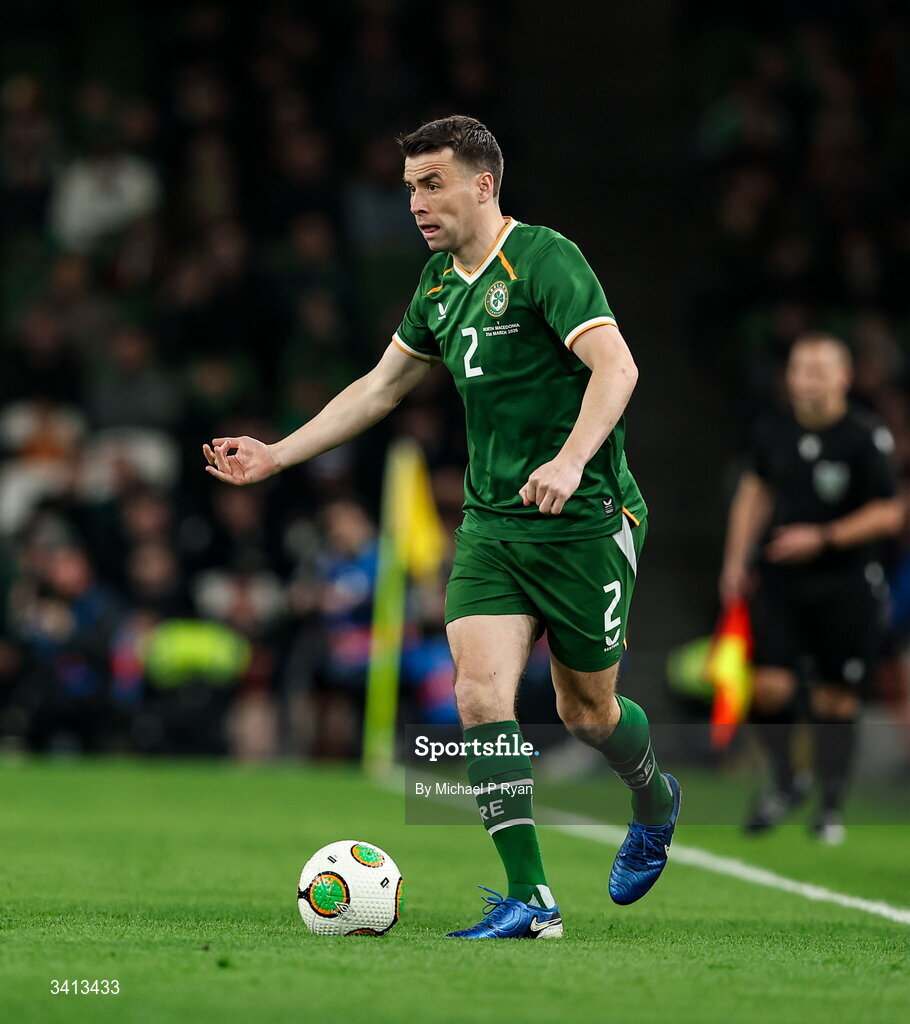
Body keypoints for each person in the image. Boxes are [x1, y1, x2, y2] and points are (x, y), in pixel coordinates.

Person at [204, 115, 680, 938]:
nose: (417, 203)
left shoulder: (543, 259)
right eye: (409, 188)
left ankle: (655, 796)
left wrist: (569, 462)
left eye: (431, 184)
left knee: (586, 715)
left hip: (584, 521)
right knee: (477, 694)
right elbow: (381, 388)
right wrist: (277, 455)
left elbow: (619, 365)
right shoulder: (436, 285)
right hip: (493, 527)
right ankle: (533, 900)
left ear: (482, 183)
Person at [720, 332, 903, 844]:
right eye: (802, 367)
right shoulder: (772, 429)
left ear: (844, 377)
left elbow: (889, 511)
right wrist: (735, 561)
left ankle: (831, 804)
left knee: (835, 701)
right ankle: (786, 781)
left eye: (822, 368)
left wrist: (823, 537)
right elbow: (754, 491)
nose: (809, 378)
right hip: (781, 581)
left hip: (847, 583)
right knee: (769, 687)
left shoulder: (866, 436)